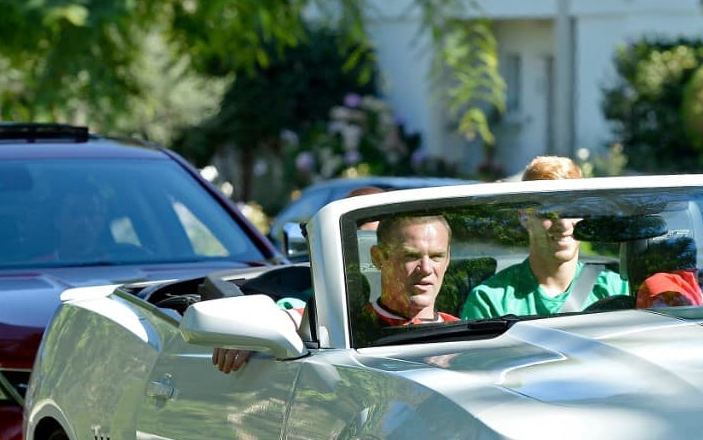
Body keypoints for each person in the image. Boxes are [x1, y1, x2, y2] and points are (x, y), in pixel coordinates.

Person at [212, 211, 456, 373]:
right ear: (378, 257)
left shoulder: (471, 333)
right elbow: (291, 317)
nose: (426, 269)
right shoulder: (346, 324)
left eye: (436, 256)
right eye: (411, 256)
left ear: (447, 261)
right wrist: (249, 332)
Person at [459, 156, 629, 319]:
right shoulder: (490, 301)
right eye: (550, 212)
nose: (564, 224)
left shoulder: (618, 289)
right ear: (524, 216)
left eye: (573, 210)